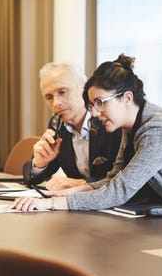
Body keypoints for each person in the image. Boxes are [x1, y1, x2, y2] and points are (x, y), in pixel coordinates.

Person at [11, 54, 162, 212]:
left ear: (127, 98)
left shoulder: (157, 130)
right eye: (93, 105)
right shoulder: (131, 126)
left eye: (101, 103)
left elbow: (119, 190)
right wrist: (72, 192)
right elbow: (113, 178)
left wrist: (52, 203)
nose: (96, 113)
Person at [23, 62, 122, 190]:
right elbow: (32, 178)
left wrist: (82, 184)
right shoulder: (57, 126)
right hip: (77, 206)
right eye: (49, 97)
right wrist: (39, 164)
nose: (56, 103)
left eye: (62, 92)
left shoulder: (110, 121)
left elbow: (127, 179)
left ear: (84, 89)